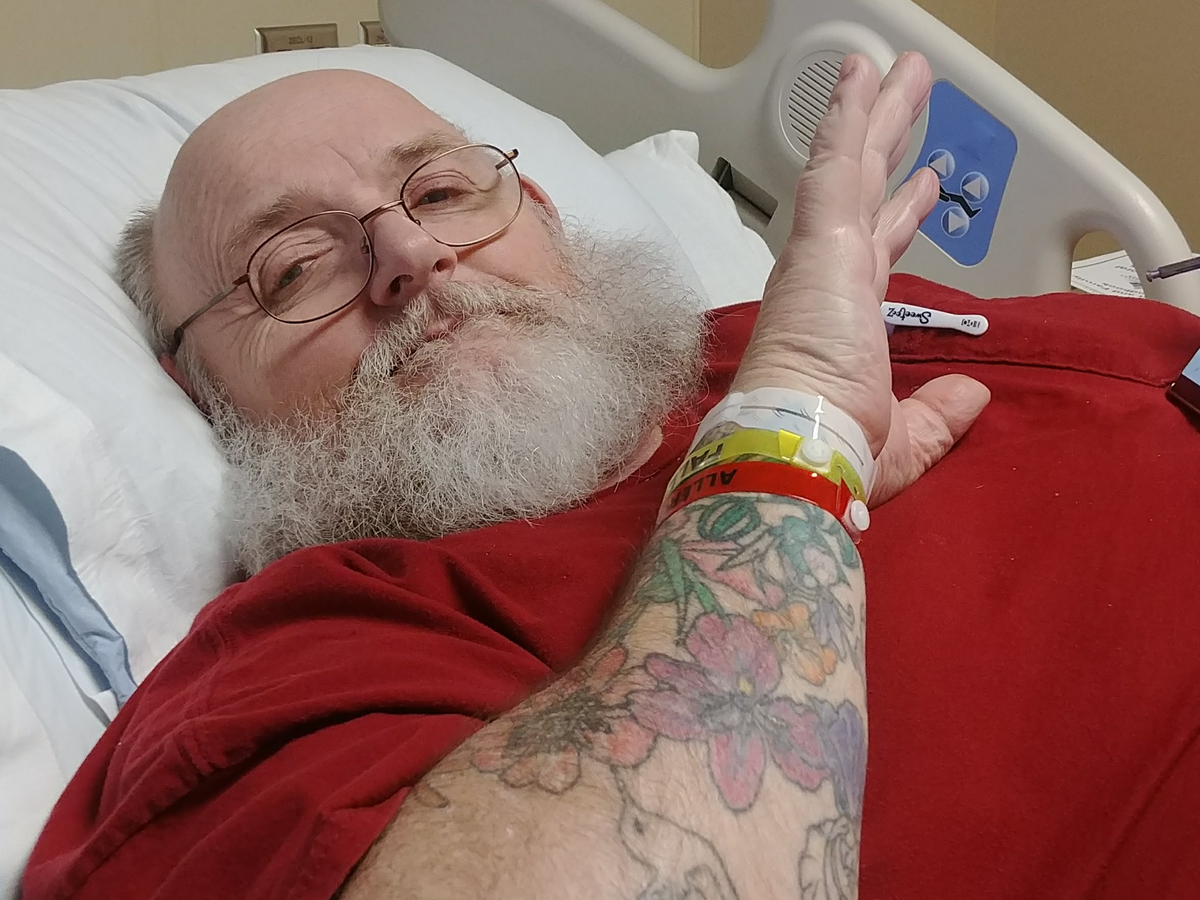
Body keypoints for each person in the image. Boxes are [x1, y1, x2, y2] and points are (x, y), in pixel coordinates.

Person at [23, 52, 1200, 900]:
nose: (409, 253)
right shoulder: (302, 663)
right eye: (292, 268)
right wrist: (793, 441)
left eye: (442, 193)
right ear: (204, 390)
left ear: (540, 215)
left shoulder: (769, 317)